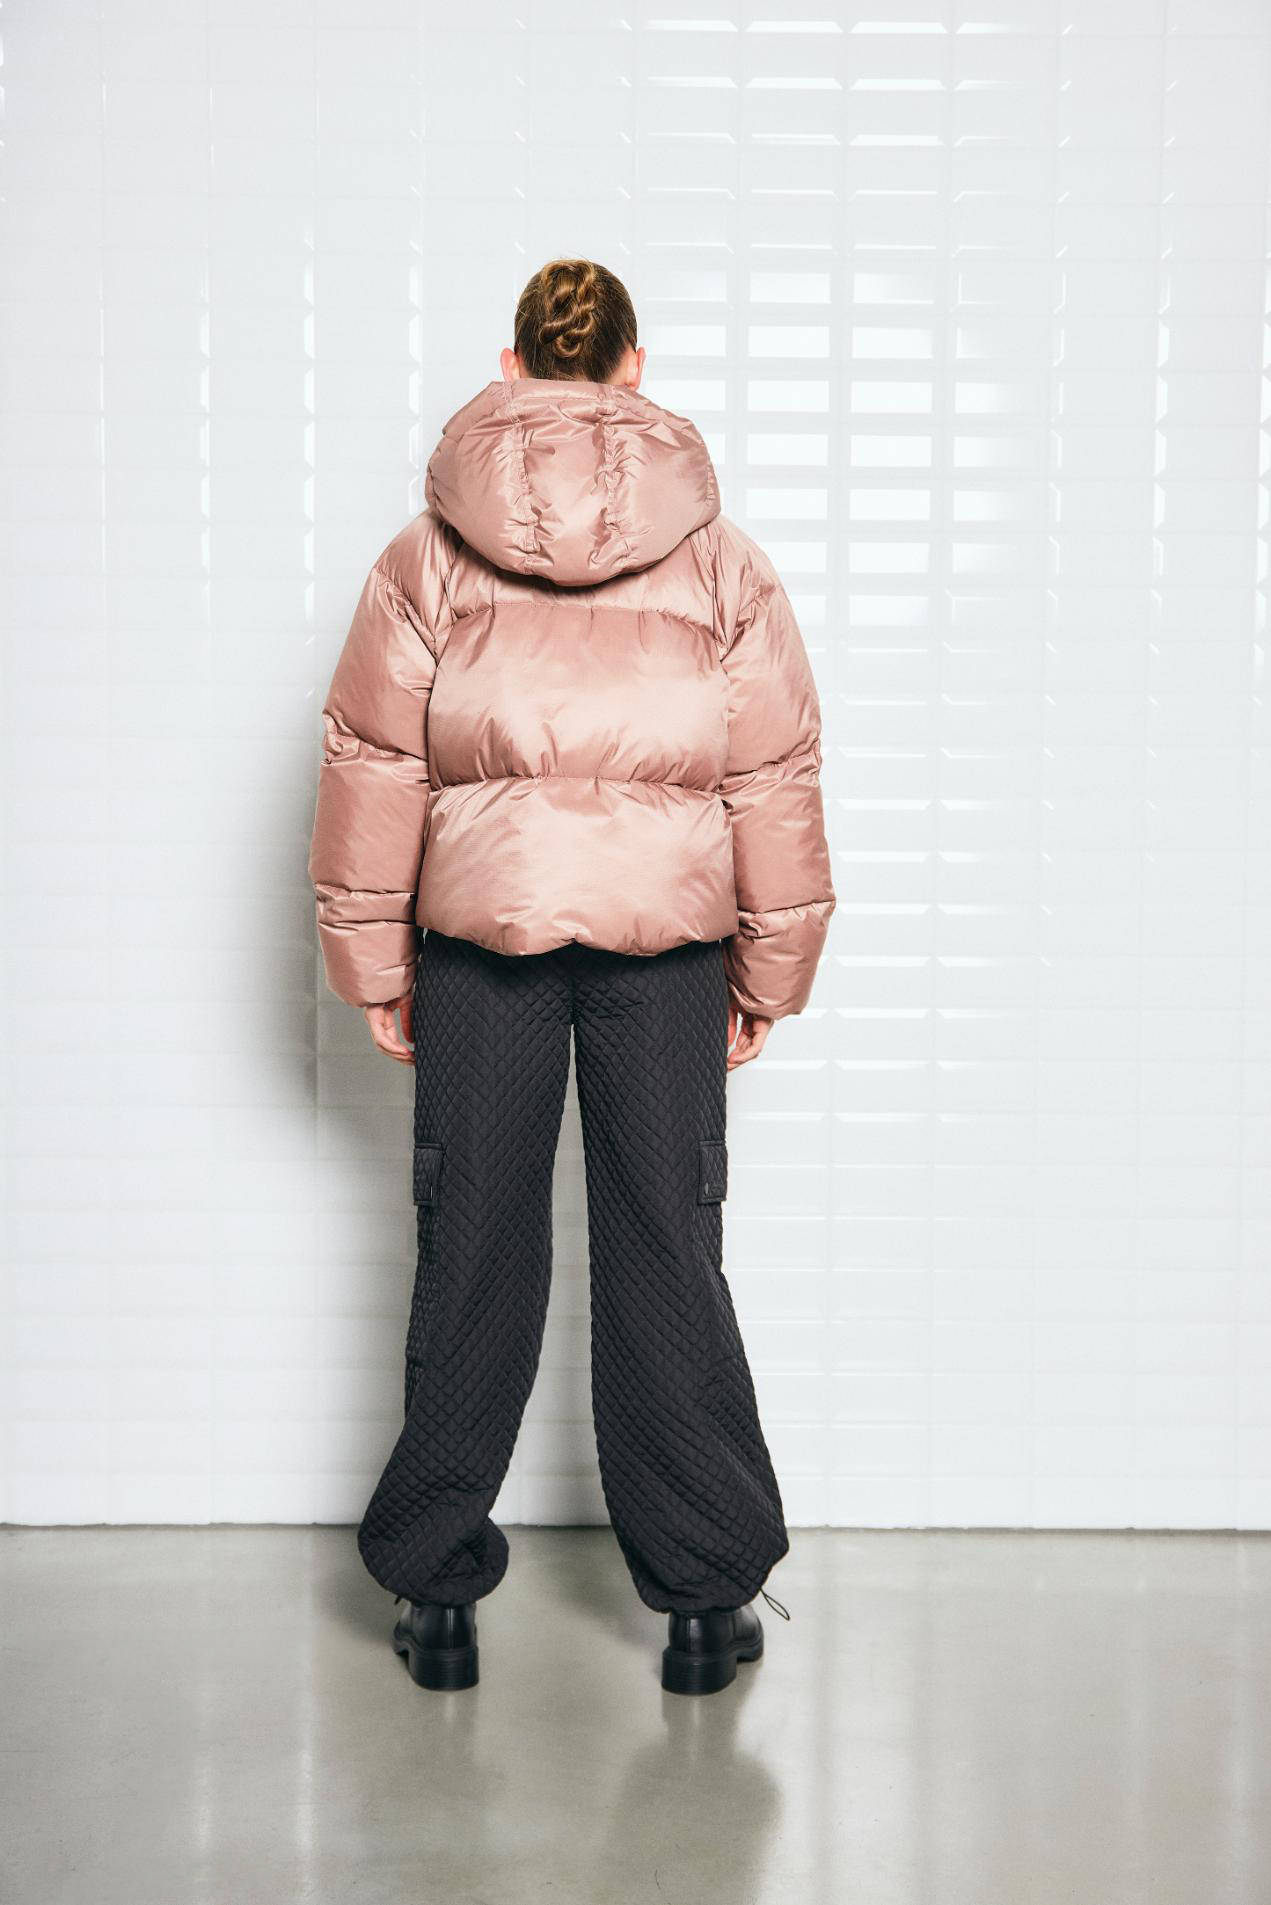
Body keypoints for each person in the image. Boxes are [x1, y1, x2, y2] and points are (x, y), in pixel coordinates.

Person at [307, 258, 835, 1697]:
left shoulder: (427, 557)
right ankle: (704, 1599)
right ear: (634, 371)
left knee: (473, 1242)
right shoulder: (723, 562)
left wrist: (373, 962)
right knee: (667, 1244)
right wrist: (770, 969)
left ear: (513, 363)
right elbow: (773, 772)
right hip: (670, 950)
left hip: (480, 945)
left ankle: (436, 1592)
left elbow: (374, 761)